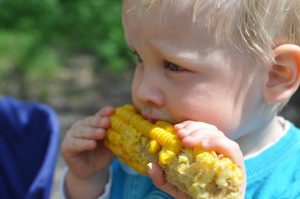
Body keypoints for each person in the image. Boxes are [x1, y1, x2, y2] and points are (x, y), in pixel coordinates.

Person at [61, 0, 300, 198]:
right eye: (139, 59)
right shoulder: (126, 164)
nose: (142, 91)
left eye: (174, 66)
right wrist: (87, 182)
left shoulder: (292, 182)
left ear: (275, 75)